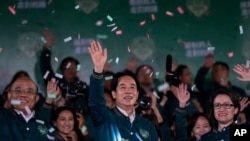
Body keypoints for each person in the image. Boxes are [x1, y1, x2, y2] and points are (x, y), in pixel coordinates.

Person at [88, 40, 159, 141]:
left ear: (137, 94)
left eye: (132, 87)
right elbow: (96, 101)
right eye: (122, 87)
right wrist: (98, 69)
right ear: (114, 94)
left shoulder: (146, 125)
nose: (128, 91)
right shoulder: (104, 118)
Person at [40, 29, 89, 112]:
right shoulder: (55, 84)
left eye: (73, 68)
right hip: (58, 120)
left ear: (77, 70)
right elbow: (45, 67)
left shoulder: (83, 87)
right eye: (67, 68)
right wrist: (47, 47)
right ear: (62, 70)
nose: (70, 71)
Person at [0, 76, 60, 140]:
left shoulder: (42, 122)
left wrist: (50, 97)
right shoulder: (3, 117)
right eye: (18, 90)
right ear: (9, 96)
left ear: (36, 98)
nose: (23, 94)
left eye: (29, 91)